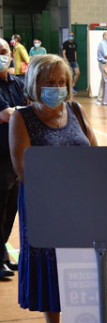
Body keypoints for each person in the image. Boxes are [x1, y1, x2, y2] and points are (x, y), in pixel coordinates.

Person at [9, 54, 98, 323]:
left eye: (62, 83)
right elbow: (22, 169)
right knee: (52, 269)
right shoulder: (22, 118)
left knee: (84, 268)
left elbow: (95, 153)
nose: (57, 88)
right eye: (50, 83)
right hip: (43, 205)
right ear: (35, 84)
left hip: (80, 204)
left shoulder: (76, 110)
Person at [0, 38, 25, 279]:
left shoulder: (17, 82)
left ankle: (3, 255)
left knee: (11, 208)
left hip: (16, 156)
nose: (1, 55)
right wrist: (25, 112)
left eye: (3, 51)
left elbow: (26, 107)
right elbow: (7, 114)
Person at [96, 31, 107, 103]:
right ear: (104, 36)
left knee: (103, 81)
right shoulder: (103, 44)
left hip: (106, 63)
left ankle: (100, 98)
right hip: (104, 63)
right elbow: (106, 55)